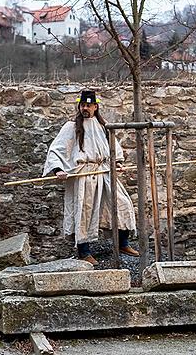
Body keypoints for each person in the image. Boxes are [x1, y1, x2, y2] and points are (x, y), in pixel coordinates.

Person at [42, 89, 138, 264]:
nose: (85, 108)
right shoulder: (71, 127)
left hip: (104, 171)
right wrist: (58, 170)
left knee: (122, 203)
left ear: (95, 106)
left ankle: (123, 242)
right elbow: (57, 149)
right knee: (84, 212)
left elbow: (113, 147)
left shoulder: (103, 126)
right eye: (82, 105)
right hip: (84, 175)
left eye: (88, 105)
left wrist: (116, 163)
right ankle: (84, 251)